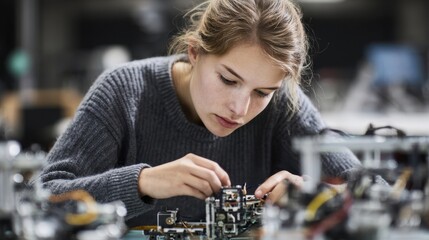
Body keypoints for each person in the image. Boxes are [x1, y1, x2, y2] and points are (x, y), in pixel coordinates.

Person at [37, 0, 361, 226]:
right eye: (228, 79)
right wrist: (143, 182)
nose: (240, 109)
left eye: (261, 93)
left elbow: (375, 189)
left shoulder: (284, 106)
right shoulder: (123, 92)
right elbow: (42, 198)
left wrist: (319, 194)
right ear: (194, 53)